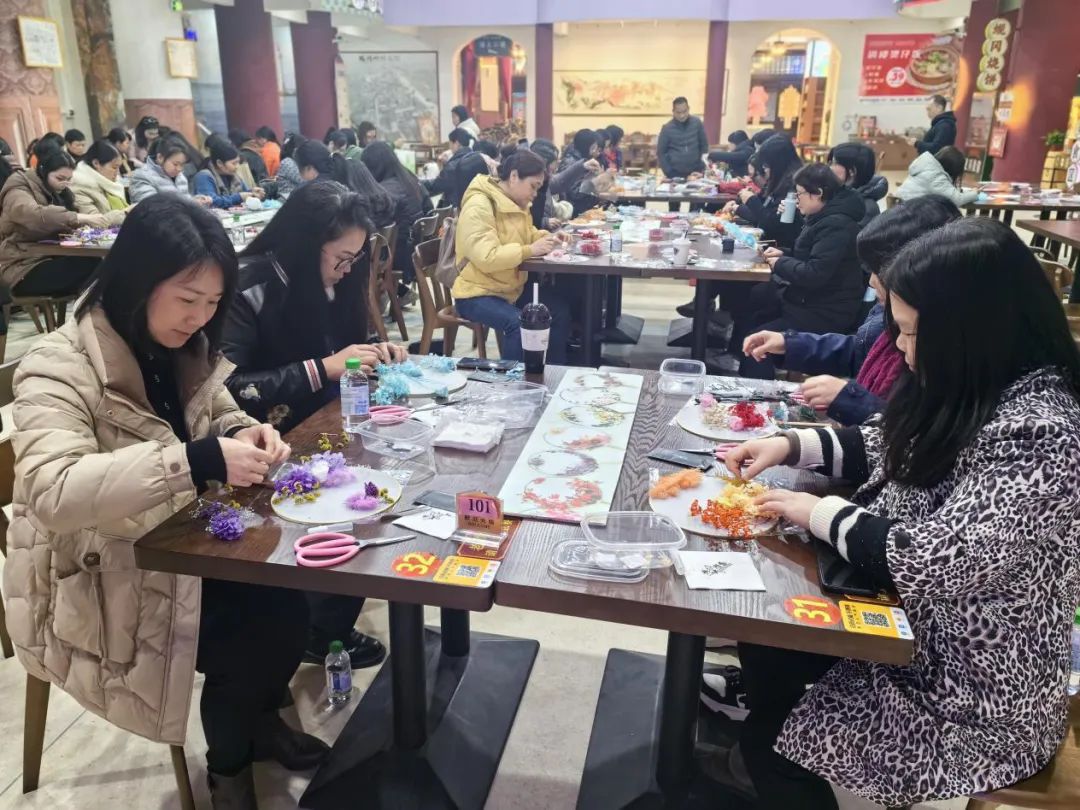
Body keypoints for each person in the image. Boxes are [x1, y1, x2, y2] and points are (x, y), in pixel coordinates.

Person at [719, 215, 1080, 810]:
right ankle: (758, 732)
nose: (902, 349)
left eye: (911, 333)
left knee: (776, 741)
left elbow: (938, 561)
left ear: (971, 328)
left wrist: (819, 511)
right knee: (766, 638)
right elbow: (892, 441)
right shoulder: (975, 377)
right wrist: (790, 445)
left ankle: (773, 753)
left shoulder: (1042, 430)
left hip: (969, 690)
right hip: (912, 629)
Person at [2, 193, 326, 810]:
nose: (200, 319)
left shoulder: (183, 345)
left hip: (178, 537)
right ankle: (228, 773)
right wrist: (195, 460)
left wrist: (242, 432)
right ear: (137, 281)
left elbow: (217, 409)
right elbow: (52, 491)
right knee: (243, 639)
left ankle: (259, 727)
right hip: (99, 569)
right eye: (187, 299)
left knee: (289, 599)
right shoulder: (58, 364)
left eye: (213, 303)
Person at [224, 181, 404, 671]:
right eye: (341, 259)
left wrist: (369, 355)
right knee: (357, 498)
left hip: (323, 418)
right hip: (266, 438)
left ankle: (328, 619)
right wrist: (325, 367)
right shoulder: (249, 285)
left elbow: (337, 350)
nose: (347, 270)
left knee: (382, 484)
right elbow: (230, 388)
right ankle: (319, 630)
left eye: (354, 260)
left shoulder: (330, 278)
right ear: (307, 243)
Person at [742, 195, 961, 425]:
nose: (872, 282)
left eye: (880, 272)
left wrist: (849, 398)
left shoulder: (936, 348)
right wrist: (790, 344)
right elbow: (860, 350)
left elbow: (916, 428)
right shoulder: (890, 316)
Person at [737, 162, 866, 378]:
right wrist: (783, 254)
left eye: (800, 194)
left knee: (756, 339)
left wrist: (780, 263)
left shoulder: (836, 224)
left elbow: (814, 273)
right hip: (810, 301)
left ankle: (758, 393)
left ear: (818, 194)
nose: (797, 200)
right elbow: (811, 255)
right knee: (753, 307)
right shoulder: (825, 216)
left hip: (825, 311)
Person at [452, 150, 571, 364]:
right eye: (533, 186)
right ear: (514, 176)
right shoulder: (479, 205)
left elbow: (526, 234)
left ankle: (552, 373)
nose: (535, 194)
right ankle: (513, 382)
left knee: (558, 311)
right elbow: (487, 257)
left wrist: (548, 238)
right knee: (518, 324)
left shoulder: (515, 202)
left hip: (508, 289)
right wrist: (530, 250)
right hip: (476, 293)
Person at [0, 144, 110, 296]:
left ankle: (94, 308)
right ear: (43, 171)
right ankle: (92, 309)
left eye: (69, 179)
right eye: (60, 178)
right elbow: (34, 216)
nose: (65, 184)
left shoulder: (57, 191)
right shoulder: (18, 189)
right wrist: (78, 217)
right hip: (22, 268)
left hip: (49, 256)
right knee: (92, 266)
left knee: (100, 263)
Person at [360, 141, 433, 283]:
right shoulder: (410, 179)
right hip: (415, 250)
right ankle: (398, 292)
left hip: (400, 256)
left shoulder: (385, 191)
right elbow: (428, 208)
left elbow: (372, 225)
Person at [725, 135, 804, 250]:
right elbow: (764, 208)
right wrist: (742, 204)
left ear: (777, 162)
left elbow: (772, 223)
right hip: (770, 245)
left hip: (780, 249)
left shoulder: (792, 185)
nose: (765, 170)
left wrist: (751, 200)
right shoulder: (778, 180)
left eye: (766, 165)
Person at [530, 138, 601, 230]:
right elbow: (529, 217)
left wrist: (582, 166)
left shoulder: (545, 179)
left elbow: (559, 181)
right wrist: (544, 222)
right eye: (593, 148)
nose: (556, 166)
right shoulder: (530, 183)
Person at [129, 136, 210, 205]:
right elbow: (151, 208)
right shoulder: (142, 176)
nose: (179, 169)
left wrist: (195, 201)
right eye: (175, 164)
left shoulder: (179, 176)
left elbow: (183, 200)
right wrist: (188, 206)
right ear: (160, 157)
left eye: (182, 165)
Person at [827, 142, 888, 227]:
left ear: (852, 171)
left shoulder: (865, 209)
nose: (829, 167)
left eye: (834, 163)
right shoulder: (836, 192)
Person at [895, 145, 979, 206]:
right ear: (952, 168)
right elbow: (958, 200)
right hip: (910, 215)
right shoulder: (936, 177)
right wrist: (974, 193)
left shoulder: (927, 166)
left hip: (901, 208)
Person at [194, 140, 265, 209]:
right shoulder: (204, 176)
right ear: (219, 163)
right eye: (234, 163)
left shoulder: (234, 176)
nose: (237, 166)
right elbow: (210, 201)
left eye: (238, 162)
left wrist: (252, 193)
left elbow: (242, 193)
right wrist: (239, 197)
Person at [70, 140, 128, 225]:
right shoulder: (79, 186)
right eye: (114, 167)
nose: (118, 172)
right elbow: (95, 223)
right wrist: (127, 212)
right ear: (96, 163)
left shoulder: (110, 182)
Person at [421, 127, 475, 208]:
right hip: (471, 205)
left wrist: (417, 182)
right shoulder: (474, 158)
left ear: (456, 143)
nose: (450, 148)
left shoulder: (453, 166)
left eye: (450, 144)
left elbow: (436, 186)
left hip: (456, 208)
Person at [657, 97, 709, 180]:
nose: (682, 115)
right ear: (673, 111)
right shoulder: (667, 128)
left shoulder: (697, 123)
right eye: (678, 112)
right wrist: (669, 172)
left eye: (684, 111)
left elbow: (704, 146)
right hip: (675, 174)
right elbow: (661, 153)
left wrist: (702, 168)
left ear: (688, 109)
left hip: (696, 173)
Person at [275, 132, 304, 199]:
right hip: (287, 197)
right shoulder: (287, 162)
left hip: (295, 197)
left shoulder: (294, 161)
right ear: (295, 149)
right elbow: (303, 180)